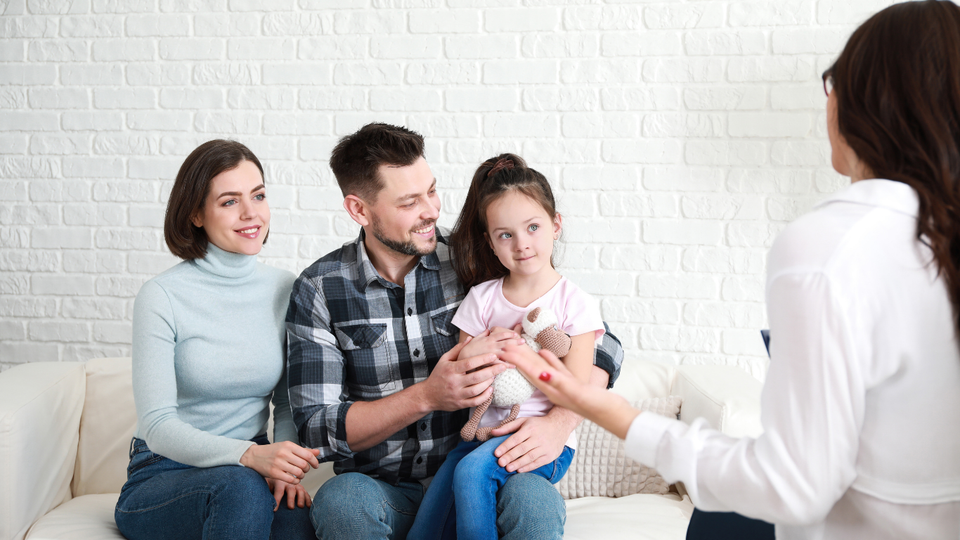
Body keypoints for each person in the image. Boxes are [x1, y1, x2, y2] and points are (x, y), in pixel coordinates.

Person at [504, 2, 960, 539]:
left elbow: (796, 484)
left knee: (716, 519)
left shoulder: (830, 246)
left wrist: (608, 411)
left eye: (833, 80)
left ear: (870, 101)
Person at [285, 124, 624, 539]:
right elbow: (317, 429)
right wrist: (427, 396)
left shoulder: (468, 255)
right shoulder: (320, 288)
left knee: (534, 501)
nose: (431, 210)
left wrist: (561, 421)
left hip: (491, 471)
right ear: (359, 210)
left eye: (431, 190)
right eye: (410, 201)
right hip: (387, 490)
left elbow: (602, 340)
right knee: (342, 500)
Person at [114, 140, 319, 540]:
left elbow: (286, 402)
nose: (251, 213)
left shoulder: (284, 287)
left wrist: (286, 468)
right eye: (229, 201)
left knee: (300, 526)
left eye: (258, 195)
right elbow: (157, 424)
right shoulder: (161, 296)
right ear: (195, 214)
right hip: (163, 472)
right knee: (239, 489)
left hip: (251, 470)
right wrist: (250, 456)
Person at [407, 155, 604, 540]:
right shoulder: (482, 299)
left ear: (556, 225)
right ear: (491, 242)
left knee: (472, 472)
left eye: (533, 227)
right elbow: (464, 377)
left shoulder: (575, 304)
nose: (522, 244)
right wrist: (479, 354)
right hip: (481, 432)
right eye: (505, 235)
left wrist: (527, 360)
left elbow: (578, 393)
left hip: (540, 440)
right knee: (427, 525)